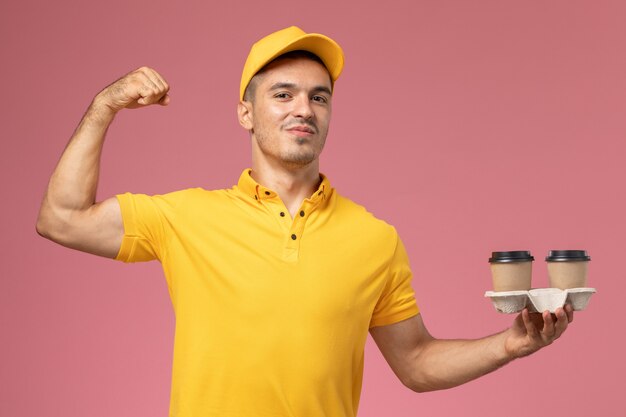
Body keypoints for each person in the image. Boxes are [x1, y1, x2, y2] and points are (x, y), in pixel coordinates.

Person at [36, 26, 573, 417]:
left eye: (319, 97)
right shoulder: (185, 216)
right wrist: (105, 105)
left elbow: (416, 363)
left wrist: (510, 345)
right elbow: (61, 218)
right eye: (283, 94)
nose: (304, 109)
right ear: (246, 112)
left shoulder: (374, 238)